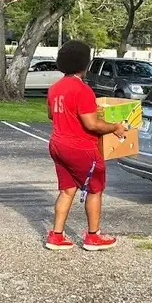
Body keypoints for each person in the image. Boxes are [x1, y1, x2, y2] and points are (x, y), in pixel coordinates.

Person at [45, 40, 127, 252]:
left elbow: (50, 115)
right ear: (85, 63)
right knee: (95, 189)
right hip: (81, 148)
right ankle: (93, 236)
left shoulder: (54, 88)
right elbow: (92, 124)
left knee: (67, 190)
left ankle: (56, 235)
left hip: (57, 143)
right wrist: (115, 127)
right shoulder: (83, 90)